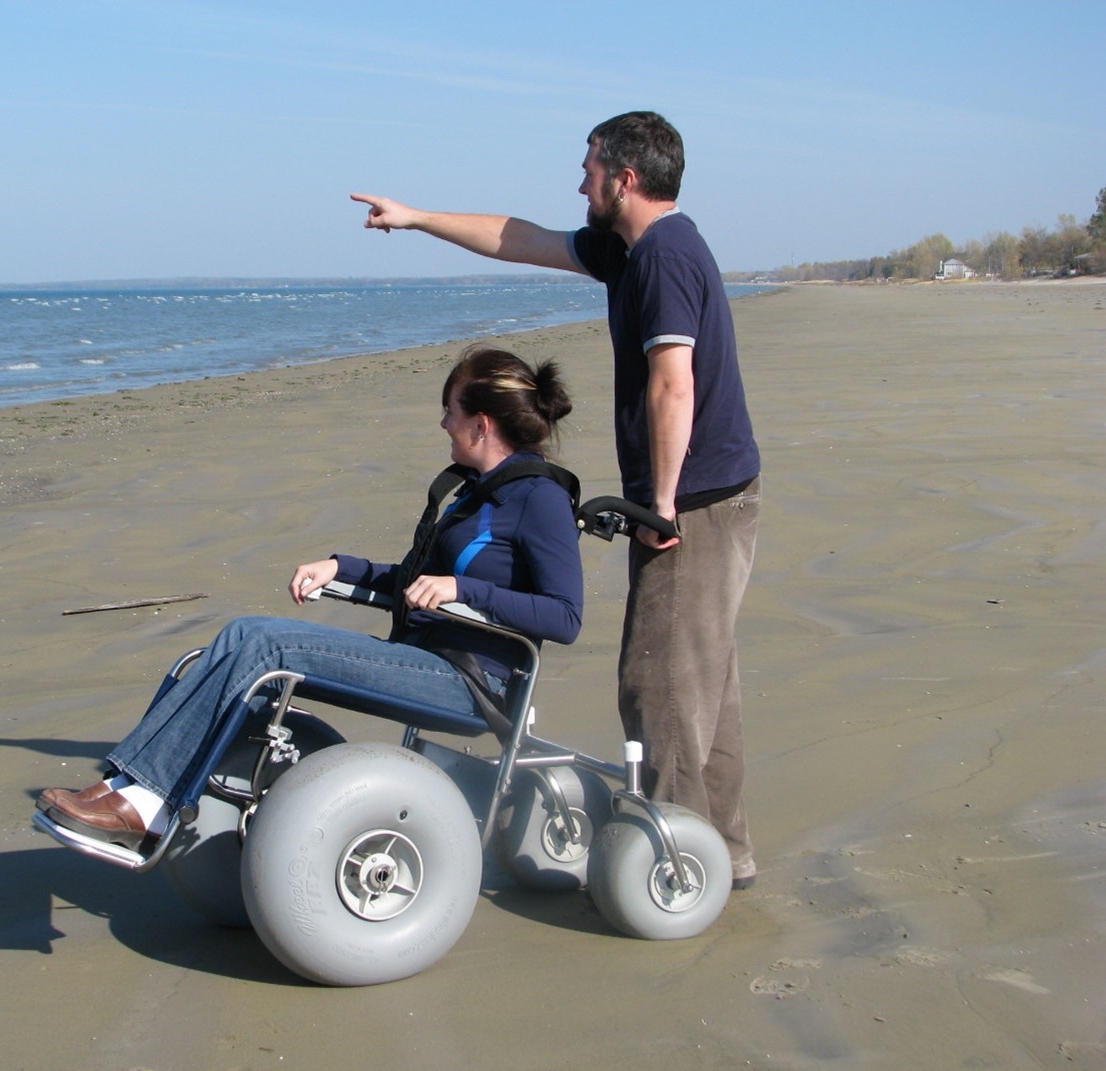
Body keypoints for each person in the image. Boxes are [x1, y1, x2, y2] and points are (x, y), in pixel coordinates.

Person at [350, 110, 760, 888]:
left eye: (590, 167)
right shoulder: (630, 251)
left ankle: (679, 869)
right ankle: (722, 854)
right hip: (718, 493)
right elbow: (521, 237)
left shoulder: (666, 257)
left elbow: (676, 381)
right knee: (708, 681)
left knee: (661, 684)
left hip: (698, 501)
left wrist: (662, 504)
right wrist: (417, 218)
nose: (581, 181)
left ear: (625, 178)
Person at [38, 347, 583, 853]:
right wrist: (340, 568)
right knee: (243, 633)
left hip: (470, 683)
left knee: (265, 642)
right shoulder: (474, 494)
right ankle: (128, 785)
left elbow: (565, 616)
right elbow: (418, 582)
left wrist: (467, 590)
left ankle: (147, 801)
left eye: (449, 411)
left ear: (481, 424)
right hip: (424, 658)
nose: (443, 423)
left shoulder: (541, 498)